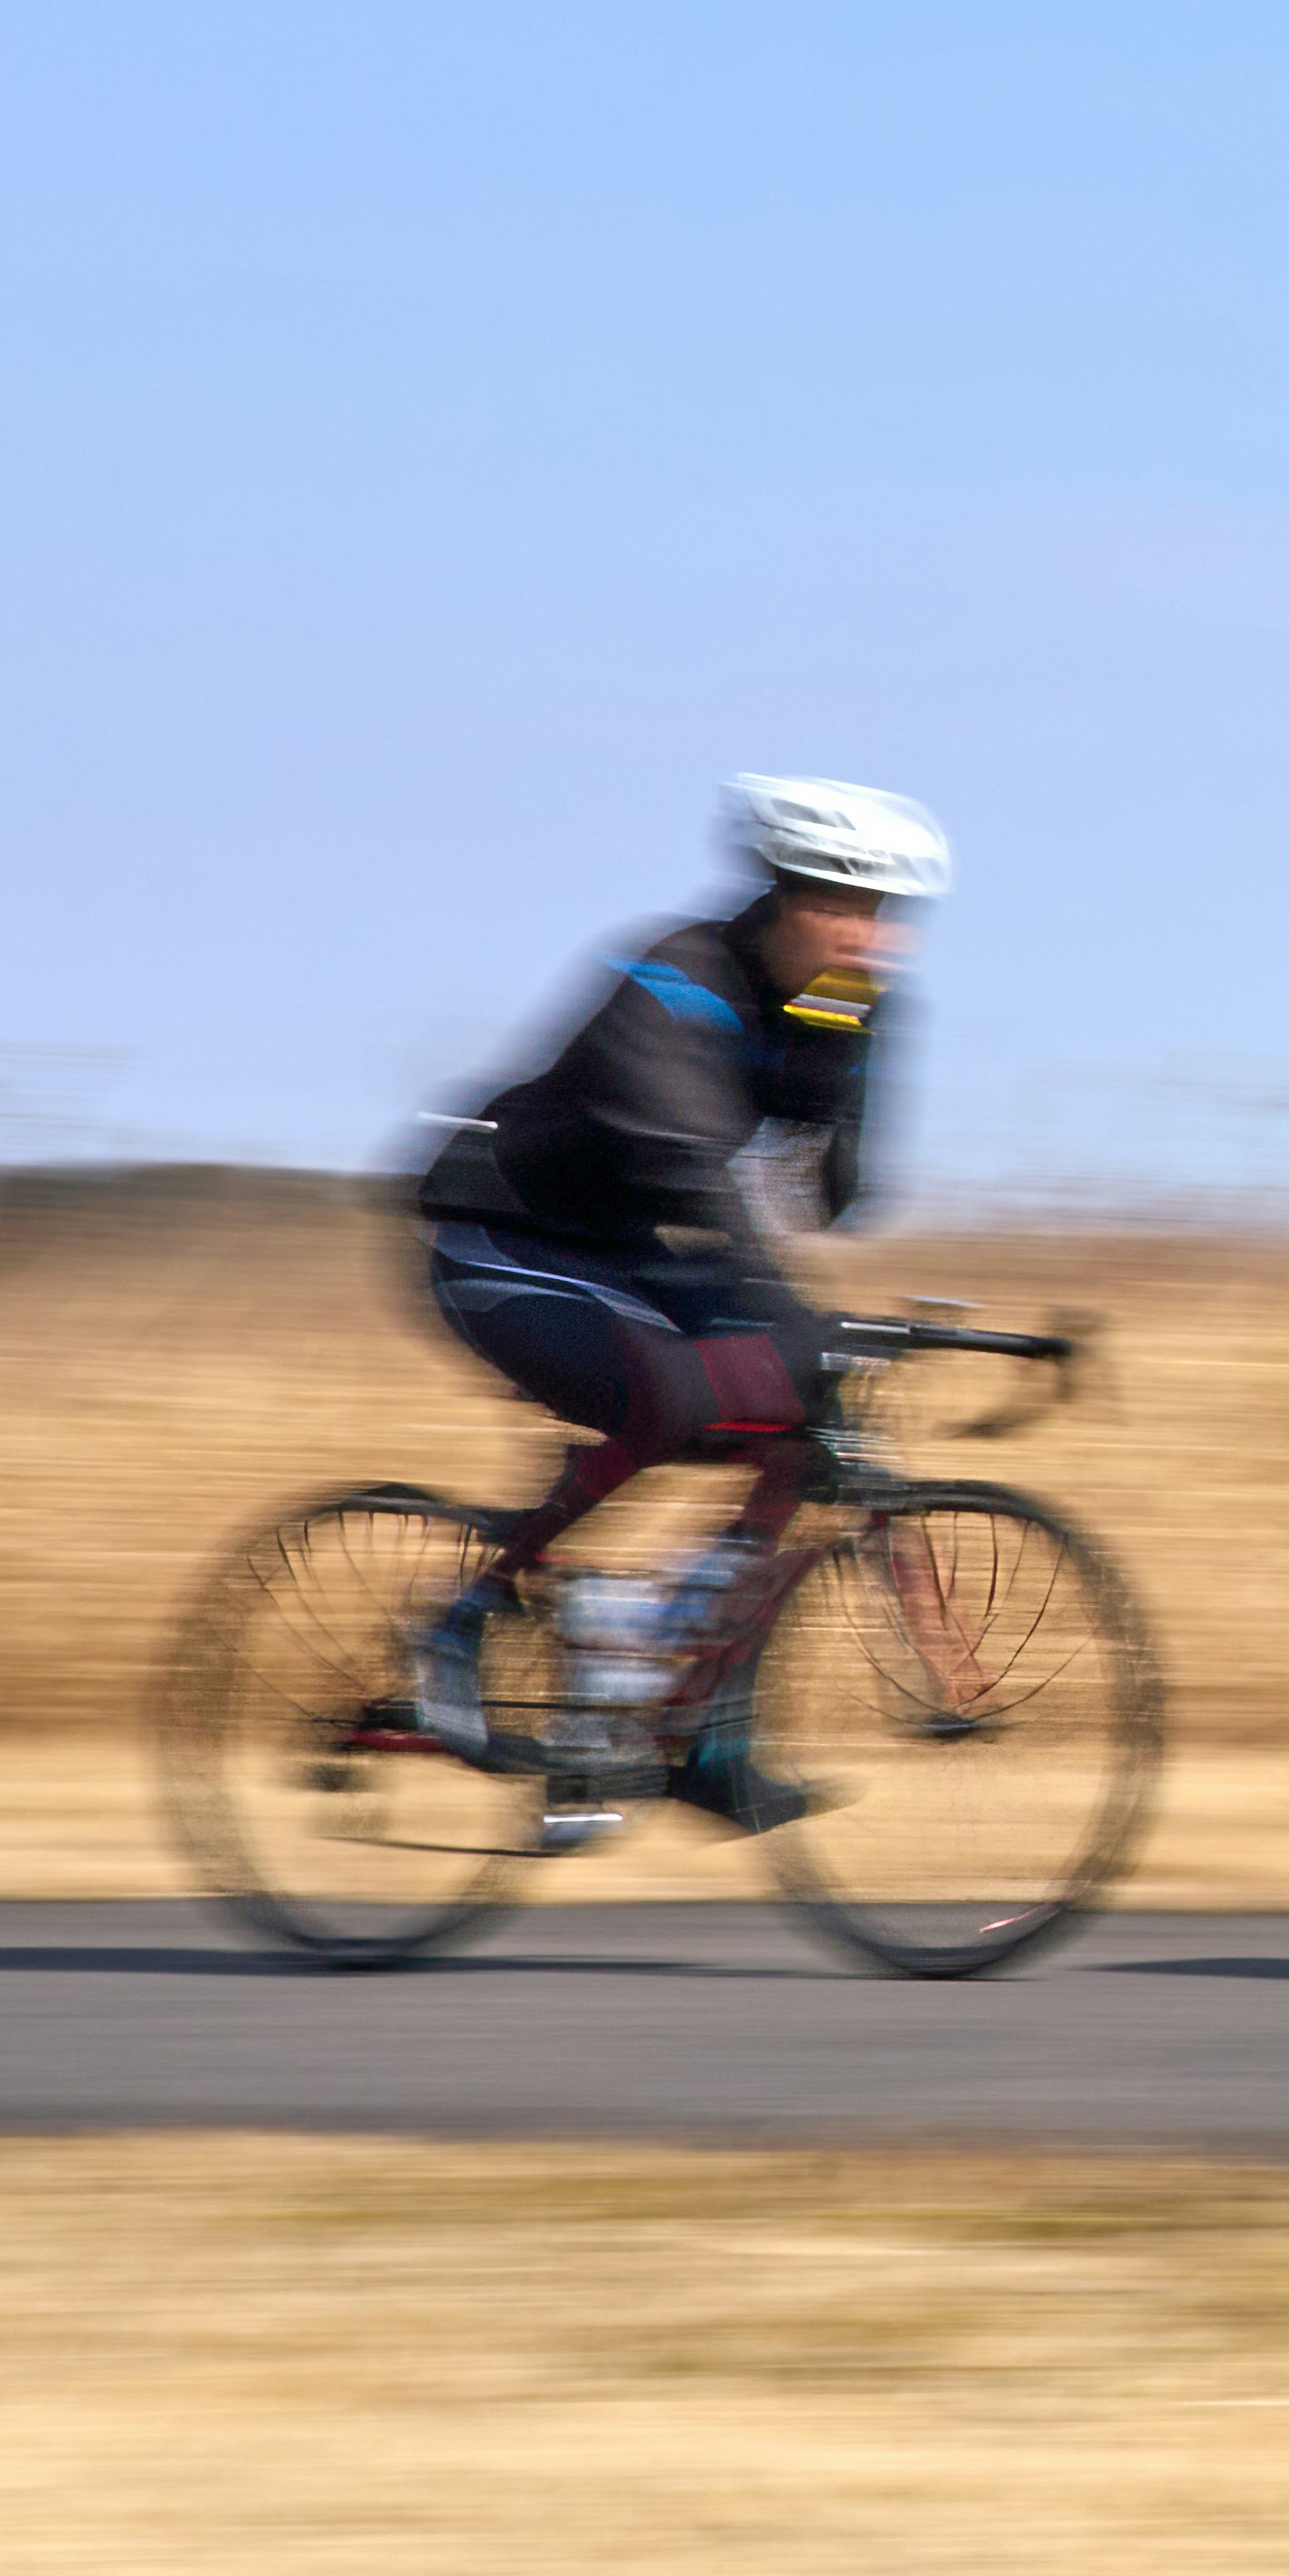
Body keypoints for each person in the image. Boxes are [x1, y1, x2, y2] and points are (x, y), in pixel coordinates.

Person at [403, 773, 952, 1824]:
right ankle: (457, 1626)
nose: (870, 938)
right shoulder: (673, 981)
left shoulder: (836, 999)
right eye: (845, 908)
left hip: (627, 1250)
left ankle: (699, 1727)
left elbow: (834, 1195)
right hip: (499, 1241)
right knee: (683, 1393)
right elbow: (694, 1177)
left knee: (805, 1421)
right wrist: (796, 1318)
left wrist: (843, 1044)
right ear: (781, 895)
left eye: (885, 916)